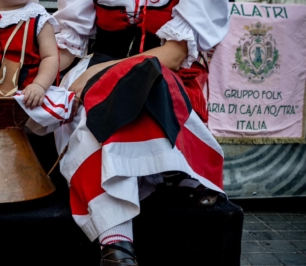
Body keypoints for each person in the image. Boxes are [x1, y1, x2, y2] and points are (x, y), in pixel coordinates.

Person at [28, 1, 231, 265]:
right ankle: (117, 245)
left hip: (163, 70)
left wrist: (98, 72)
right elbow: (67, 44)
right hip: (98, 64)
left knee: (125, 106)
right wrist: (35, 82)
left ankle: (117, 238)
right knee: (90, 117)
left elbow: (175, 54)